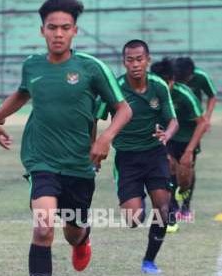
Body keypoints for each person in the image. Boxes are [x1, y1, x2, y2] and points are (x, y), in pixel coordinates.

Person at [0, 0, 132, 274]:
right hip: (41, 161)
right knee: (42, 229)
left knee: (72, 233)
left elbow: (124, 109)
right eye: (52, 28)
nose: (58, 34)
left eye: (65, 28)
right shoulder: (32, 66)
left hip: (79, 164)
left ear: (75, 30)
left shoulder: (92, 68)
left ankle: (82, 239)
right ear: (42, 31)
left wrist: (106, 137)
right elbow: (22, 93)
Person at [96, 40, 178, 274]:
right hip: (127, 157)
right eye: (130, 60)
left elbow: (173, 120)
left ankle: (149, 261)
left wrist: (167, 135)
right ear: (124, 62)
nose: (135, 64)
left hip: (154, 153)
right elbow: (96, 116)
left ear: (147, 60)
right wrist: (94, 145)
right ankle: (133, 199)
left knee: (163, 209)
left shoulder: (159, 85)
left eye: (139, 59)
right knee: (133, 219)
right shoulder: (115, 87)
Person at [151, 58, 207, 233]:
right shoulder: (152, 94)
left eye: (165, 82)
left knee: (185, 175)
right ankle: (172, 210)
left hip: (187, 138)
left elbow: (202, 123)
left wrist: (189, 151)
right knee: (168, 169)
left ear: (172, 80)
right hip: (167, 138)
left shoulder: (184, 94)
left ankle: (185, 202)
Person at [172, 57, 217, 219]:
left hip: (192, 127)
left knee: (187, 166)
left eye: (186, 80)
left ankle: (185, 207)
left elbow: (212, 96)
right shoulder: (171, 79)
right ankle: (172, 206)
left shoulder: (200, 76)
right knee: (170, 167)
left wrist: (207, 118)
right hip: (171, 126)